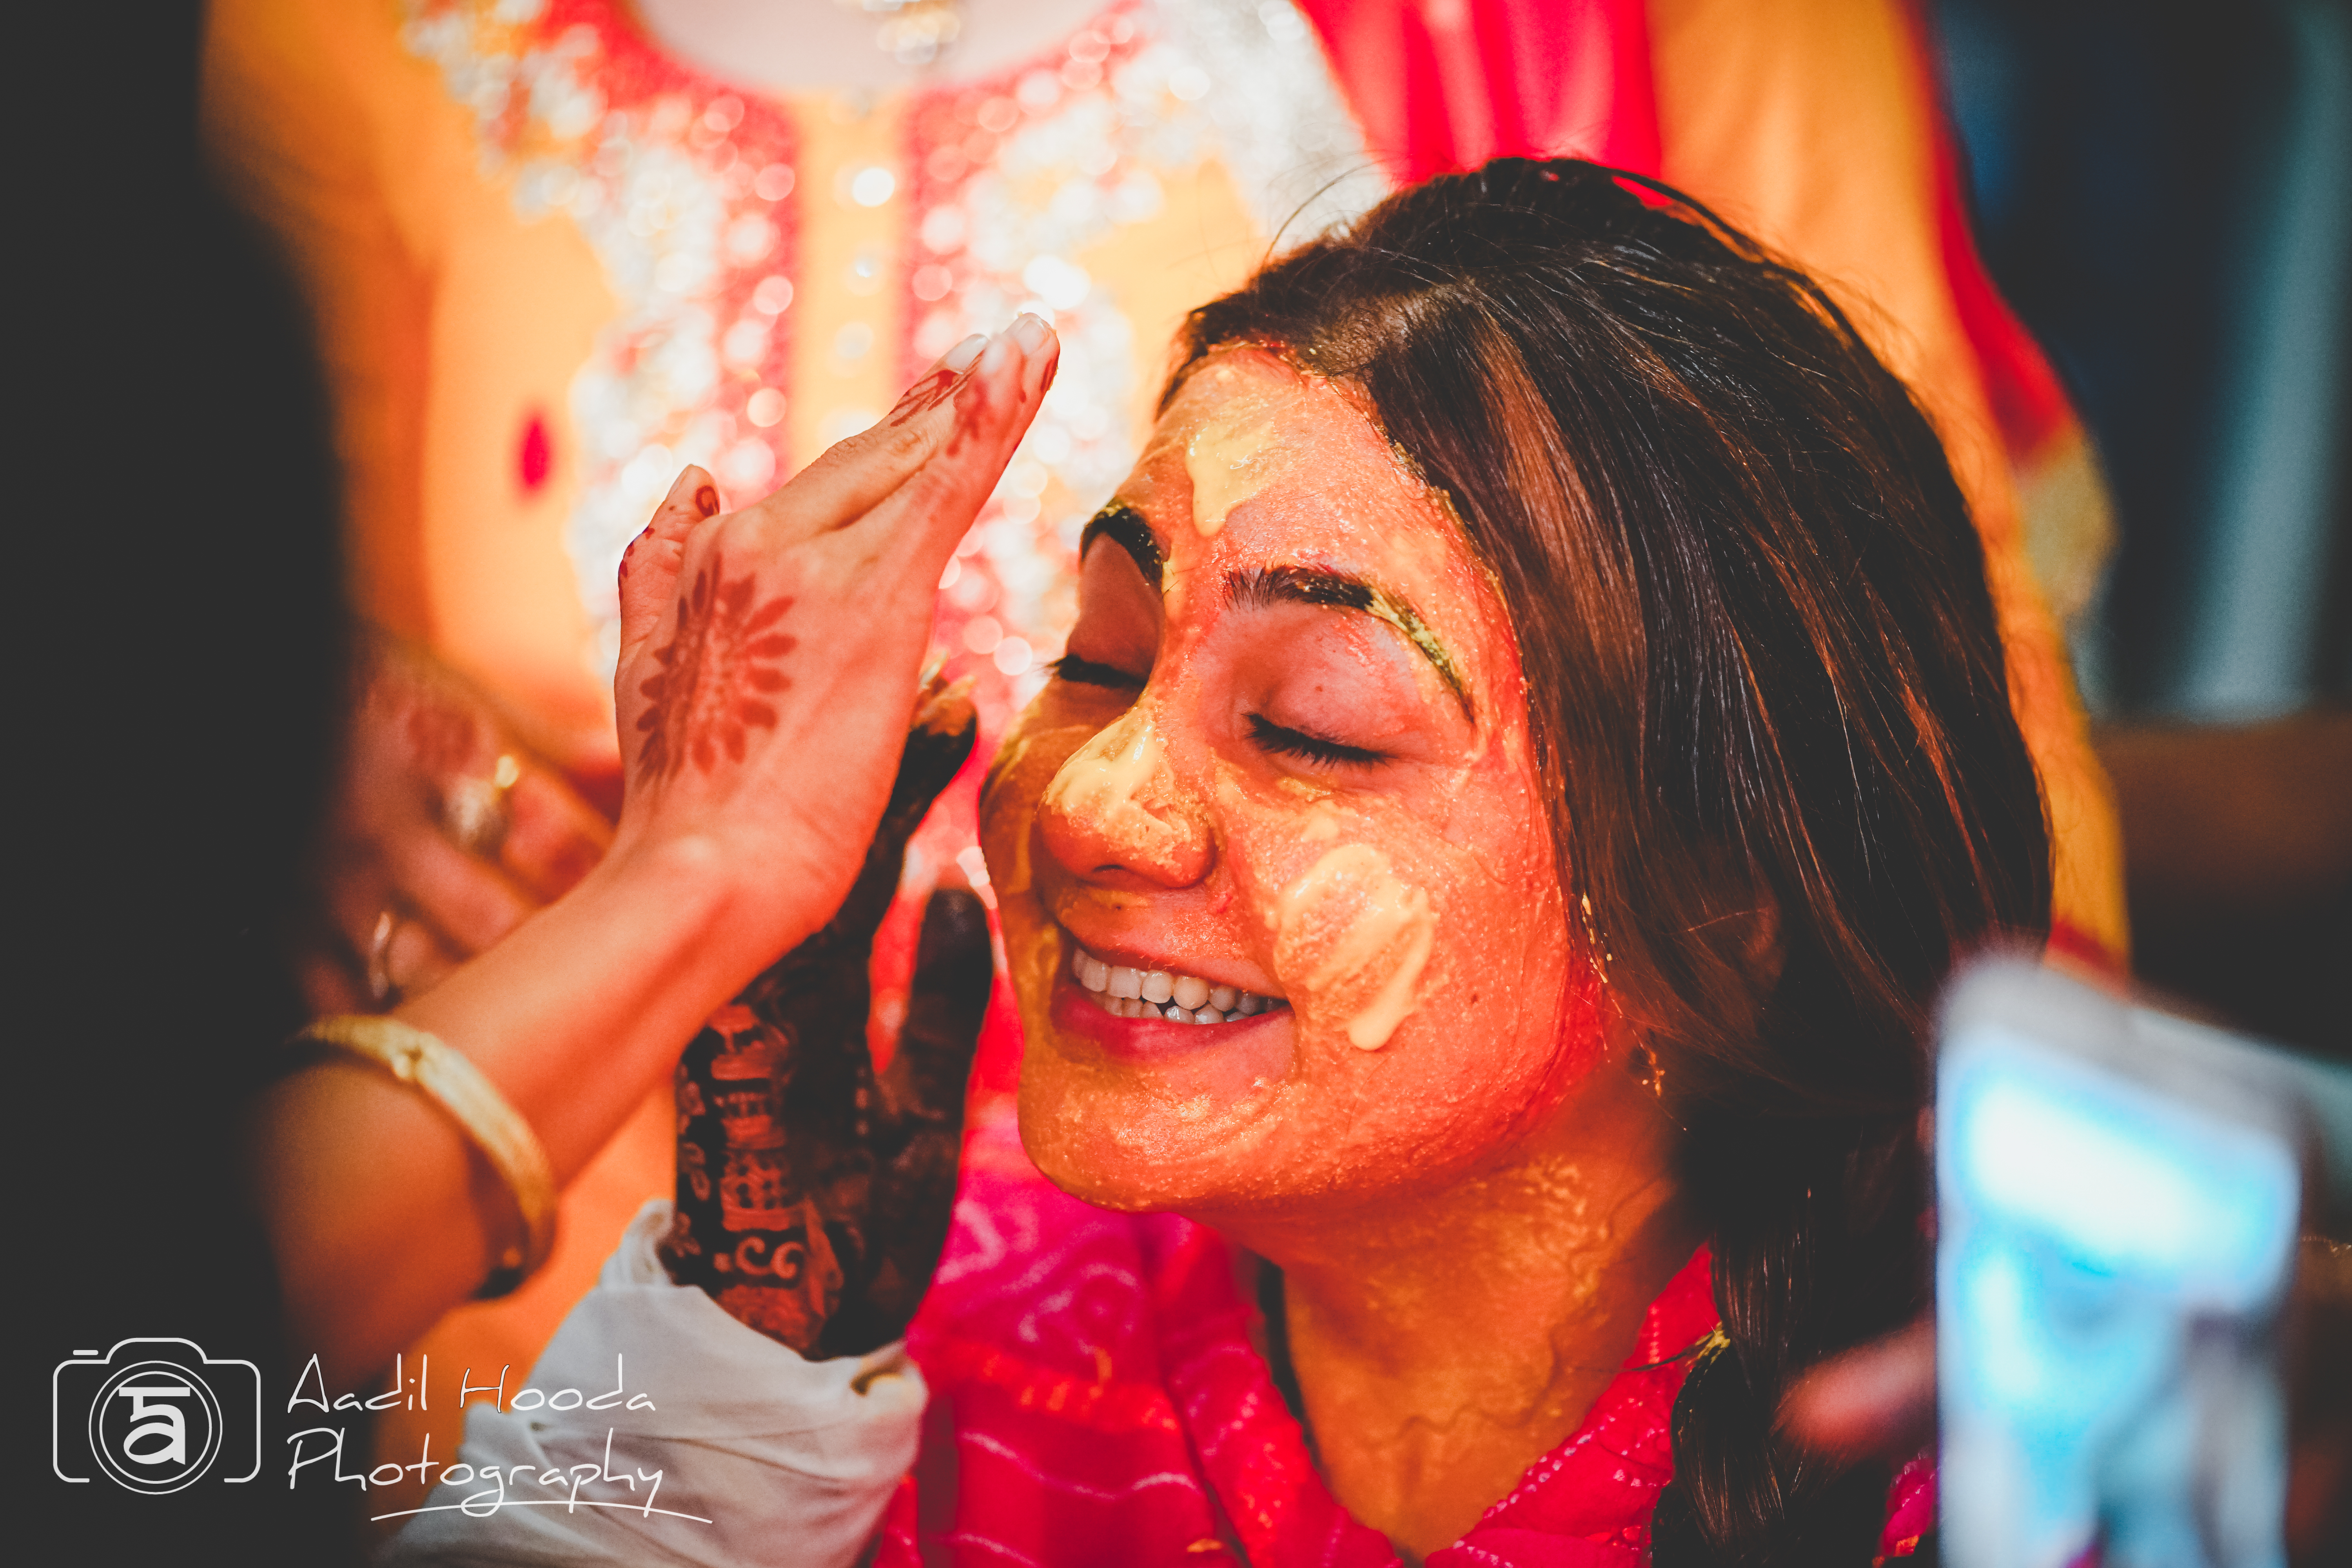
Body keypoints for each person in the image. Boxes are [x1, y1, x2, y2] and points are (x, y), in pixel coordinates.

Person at [385, 158, 2048, 1567]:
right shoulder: (906, 1350)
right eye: (1100, 658)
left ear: (1727, 905)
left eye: (1316, 725)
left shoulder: (2070, 1462)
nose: (1095, 803)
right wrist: (735, 1373)